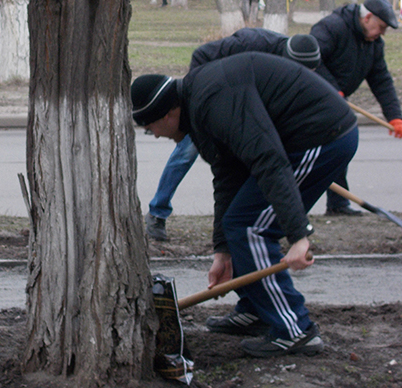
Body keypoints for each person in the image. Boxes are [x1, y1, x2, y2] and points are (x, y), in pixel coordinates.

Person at [131, 52, 358, 357]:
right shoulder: (198, 109)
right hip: (293, 141)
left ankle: (296, 330)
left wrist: (298, 235)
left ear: (167, 114)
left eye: (151, 128)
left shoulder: (213, 100)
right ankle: (257, 309)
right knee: (239, 223)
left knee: (250, 227)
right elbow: (228, 177)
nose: (155, 135)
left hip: (322, 135)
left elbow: (268, 159)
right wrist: (222, 250)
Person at [145, 30, 322, 241]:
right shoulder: (251, 43)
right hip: (209, 98)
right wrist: (201, 107)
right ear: (288, 59)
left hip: (244, 105)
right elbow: (202, 55)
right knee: (188, 150)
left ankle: (259, 222)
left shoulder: (298, 60)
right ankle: (158, 211)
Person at [310, 0, 402, 216]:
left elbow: (381, 81)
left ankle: (338, 205)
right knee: (326, 147)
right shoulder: (332, 27)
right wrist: (332, 88)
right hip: (309, 97)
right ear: (367, 17)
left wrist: (395, 116)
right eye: (380, 27)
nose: (381, 33)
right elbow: (311, 59)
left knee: (339, 145)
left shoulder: (373, 45)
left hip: (335, 101)